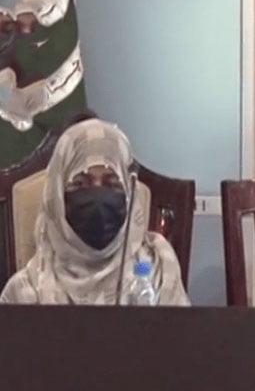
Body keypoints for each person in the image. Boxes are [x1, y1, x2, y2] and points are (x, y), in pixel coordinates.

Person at [0, 116, 190, 306]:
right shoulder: (27, 290)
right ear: (57, 197)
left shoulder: (157, 271)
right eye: (80, 184)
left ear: (129, 193)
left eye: (111, 183)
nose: (97, 196)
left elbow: (182, 334)